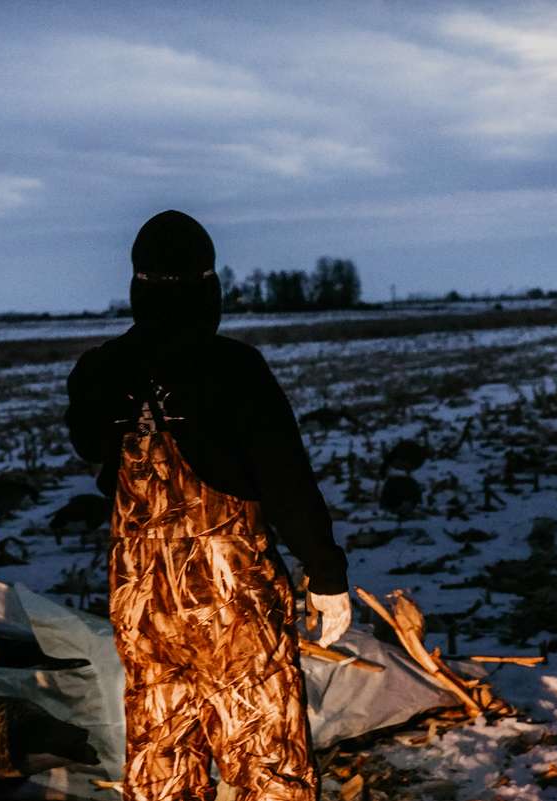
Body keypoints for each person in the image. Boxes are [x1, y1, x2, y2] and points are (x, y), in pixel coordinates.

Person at [65, 210, 351, 801]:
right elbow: (286, 480)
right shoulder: (234, 368)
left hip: (141, 601)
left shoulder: (97, 370)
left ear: (136, 284)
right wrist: (326, 574)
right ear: (208, 284)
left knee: (163, 753)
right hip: (232, 602)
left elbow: (94, 455)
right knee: (266, 756)